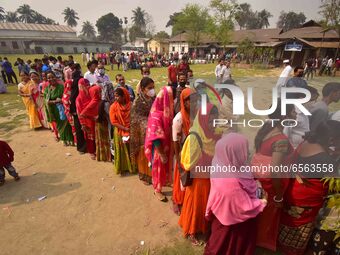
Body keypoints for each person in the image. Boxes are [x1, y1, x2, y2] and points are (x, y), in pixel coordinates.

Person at [278, 121, 338, 255]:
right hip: (307, 202)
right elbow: (334, 187)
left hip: (292, 192)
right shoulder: (326, 160)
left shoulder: (305, 143)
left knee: (288, 223)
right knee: (300, 229)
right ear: (331, 139)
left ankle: (282, 247)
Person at [204, 133, 267, 255]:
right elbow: (244, 207)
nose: (248, 153)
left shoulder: (220, 160)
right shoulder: (229, 182)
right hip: (232, 220)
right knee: (228, 245)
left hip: (222, 210)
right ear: (232, 153)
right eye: (244, 150)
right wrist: (262, 201)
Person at [251, 100, 296, 252]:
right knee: (268, 216)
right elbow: (275, 170)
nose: (296, 114)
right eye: (293, 111)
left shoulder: (266, 129)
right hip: (272, 185)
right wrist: (278, 195)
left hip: (262, 180)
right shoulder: (280, 140)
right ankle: (261, 242)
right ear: (284, 116)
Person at [178, 104, 220, 245]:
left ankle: (202, 228)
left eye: (215, 121)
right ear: (202, 120)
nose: (213, 125)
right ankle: (191, 231)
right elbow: (188, 164)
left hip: (209, 179)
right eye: (209, 121)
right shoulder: (195, 138)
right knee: (195, 205)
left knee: (206, 206)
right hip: (198, 181)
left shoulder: (213, 135)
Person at [145, 86, 174, 202]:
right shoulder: (156, 114)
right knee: (157, 168)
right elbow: (155, 138)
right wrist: (161, 154)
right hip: (158, 148)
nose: (172, 99)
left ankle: (164, 182)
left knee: (165, 167)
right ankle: (157, 190)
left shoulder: (166, 111)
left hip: (166, 144)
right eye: (170, 97)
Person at [172, 88, 194, 215]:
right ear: (184, 102)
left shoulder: (197, 114)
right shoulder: (178, 119)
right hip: (183, 154)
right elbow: (175, 141)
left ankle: (189, 201)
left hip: (194, 153)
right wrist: (180, 161)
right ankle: (180, 201)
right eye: (190, 100)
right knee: (182, 178)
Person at [130, 77, 156, 184]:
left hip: (152, 130)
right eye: (149, 88)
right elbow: (136, 118)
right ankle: (143, 174)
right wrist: (149, 124)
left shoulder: (153, 98)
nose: (152, 90)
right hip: (141, 132)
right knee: (143, 154)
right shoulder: (138, 102)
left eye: (153, 87)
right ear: (142, 88)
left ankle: (153, 173)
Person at [44, 71, 74, 146]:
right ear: (47, 79)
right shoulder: (47, 90)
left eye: (52, 77)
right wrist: (54, 101)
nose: (51, 79)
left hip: (64, 108)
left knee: (66, 124)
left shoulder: (62, 86)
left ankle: (70, 139)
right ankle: (63, 139)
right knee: (59, 124)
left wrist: (62, 100)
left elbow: (67, 96)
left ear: (55, 77)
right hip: (54, 110)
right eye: (49, 78)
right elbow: (46, 101)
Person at [110, 87, 132, 174]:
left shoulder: (131, 105)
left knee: (130, 149)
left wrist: (130, 128)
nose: (116, 98)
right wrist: (125, 128)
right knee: (121, 150)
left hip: (130, 130)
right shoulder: (113, 107)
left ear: (124, 96)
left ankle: (132, 166)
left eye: (117, 96)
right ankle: (123, 168)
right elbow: (113, 122)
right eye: (115, 96)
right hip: (119, 131)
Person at [80, 85, 103, 160]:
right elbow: (82, 114)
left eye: (100, 91)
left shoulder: (100, 101)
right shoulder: (93, 102)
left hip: (97, 123)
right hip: (90, 123)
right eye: (98, 92)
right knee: (91, 138)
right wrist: (92, 118)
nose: (100, 93)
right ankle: (91, 152)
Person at [76, 78, 95, 158]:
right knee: (89, 137)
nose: (87, 87)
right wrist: (82, 124)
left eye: (88, 85)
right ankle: (91, 151)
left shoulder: (91, 94)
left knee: (96, 136)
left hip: (94, 119)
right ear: (81, 87)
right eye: (85, 85)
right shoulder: (79, 99)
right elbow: (79, 113)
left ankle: (97, 149)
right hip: (86, 121)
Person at [70, 68, 87, 154]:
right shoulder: (78, 86)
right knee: (80, 130)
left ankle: (83, 147)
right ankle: (81, 148)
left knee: (81, 130)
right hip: (77, 113)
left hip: (78, 112)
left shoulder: (74, 88)